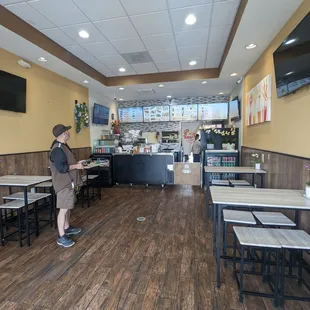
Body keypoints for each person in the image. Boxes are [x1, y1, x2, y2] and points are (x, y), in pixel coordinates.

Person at [49, 124, 84, 248]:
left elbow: (67, 163)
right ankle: (61, 236)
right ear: (63, 134)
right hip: (63, 184)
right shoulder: (57, 149)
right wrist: (77, 166)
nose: (69, 132)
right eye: (67, 131)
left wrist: (76, 164)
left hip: (69, 183)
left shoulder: (63, 146)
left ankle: (67, 227)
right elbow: (62, 168)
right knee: (63, 210)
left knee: (67, 207)